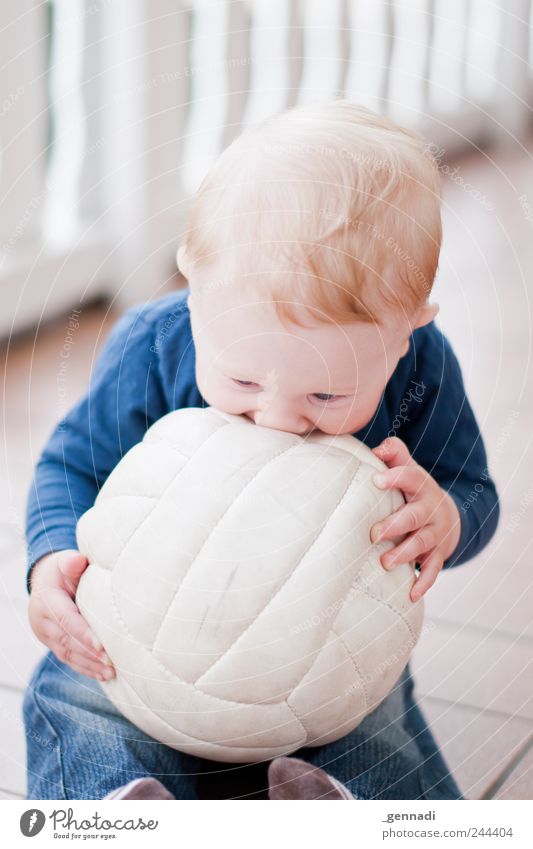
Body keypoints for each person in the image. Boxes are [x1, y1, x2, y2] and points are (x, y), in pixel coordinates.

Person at [23, 100, 500, 800]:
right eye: (242, 379)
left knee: (375, 723)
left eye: (326, 397)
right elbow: (71, 464)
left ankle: (335, 801)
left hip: (323, 646)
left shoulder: (420, 370)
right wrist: (50, 562)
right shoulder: (155, 345)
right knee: (70, 696)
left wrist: (446, 516)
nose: (277, 418)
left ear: (406, 330)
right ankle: (115, 807)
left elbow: (471, 490)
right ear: (192, 288)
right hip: (139, 630)